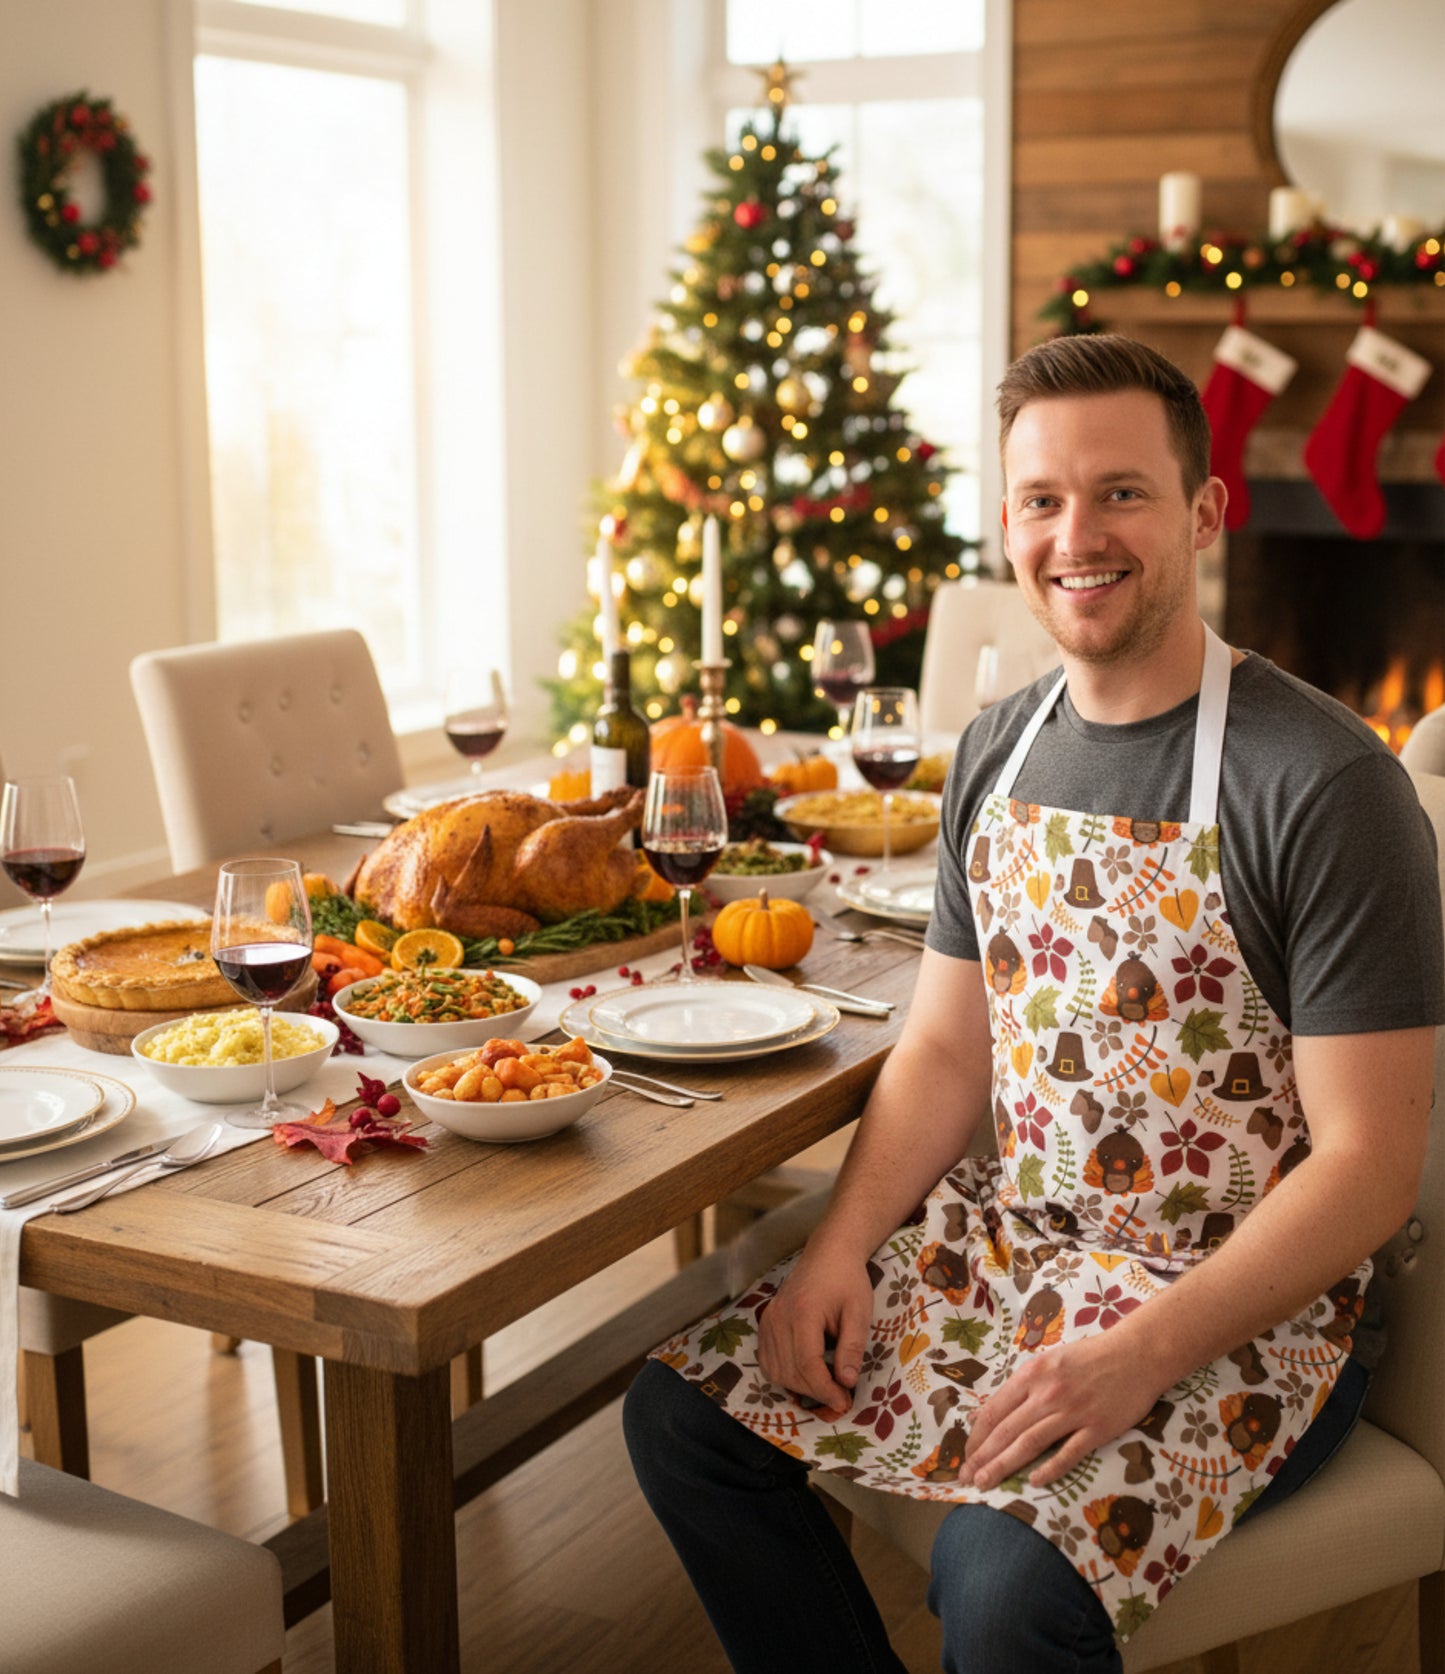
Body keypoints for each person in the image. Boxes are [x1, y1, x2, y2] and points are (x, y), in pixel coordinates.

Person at [624, 334, 1444, 1673]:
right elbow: (945, 1045)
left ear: (1202, 512)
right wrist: (838, 1245)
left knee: (998, 1585)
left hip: (1243, 1315)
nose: (1079, 533)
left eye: (1120, 492)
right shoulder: (991, 753)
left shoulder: (1325, 781)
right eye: (1041, 499)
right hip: (1013, 1256)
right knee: (683, 1422)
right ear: (1006, 521)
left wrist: (1136, 1353)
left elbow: (1368, 1167)